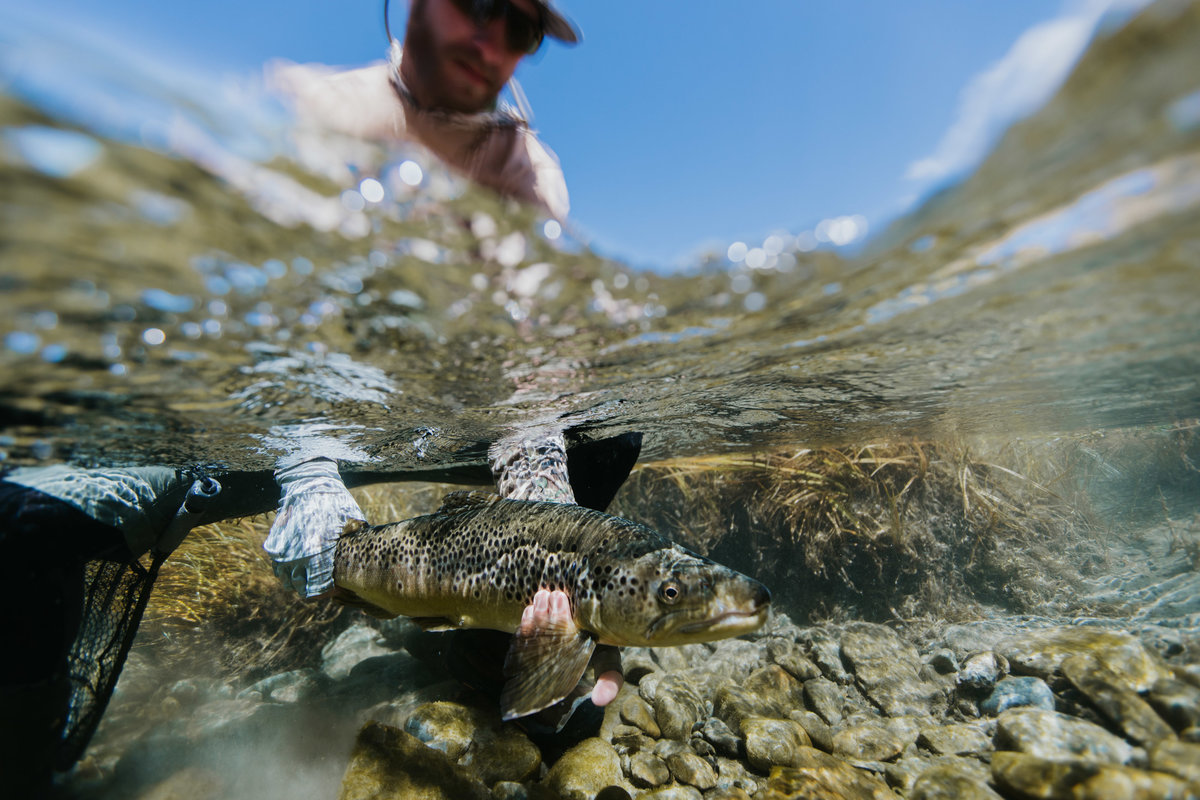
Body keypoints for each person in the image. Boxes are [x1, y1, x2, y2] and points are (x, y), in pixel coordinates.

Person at [269, 0, 578, 220]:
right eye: (478, 5)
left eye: (521, 32)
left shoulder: (529, 176)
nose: (490, 50)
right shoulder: (305, 102)